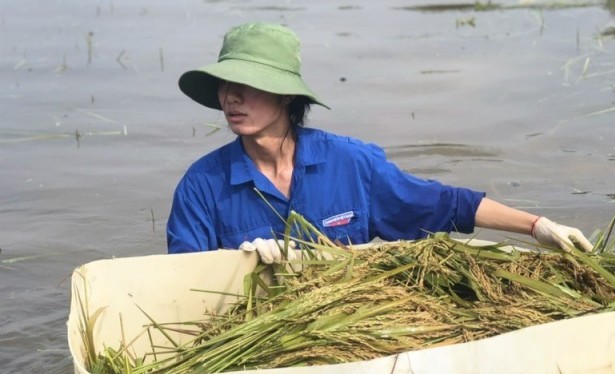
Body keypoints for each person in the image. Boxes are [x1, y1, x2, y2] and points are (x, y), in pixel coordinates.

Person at [167, 22, 592, 261]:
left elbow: (441, 204)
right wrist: (235, 268)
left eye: (247, 84)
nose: (231, 97)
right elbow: (181, 287)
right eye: (225, 84)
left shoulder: (350, 165)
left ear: (285, 94)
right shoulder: (203, 186)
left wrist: (537, 226)